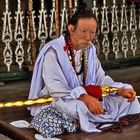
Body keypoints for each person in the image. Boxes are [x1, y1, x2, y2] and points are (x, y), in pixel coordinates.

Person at [28, 4, 140, 138]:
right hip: (62, 99)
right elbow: (56, 88)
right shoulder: (53, 52)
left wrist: (117, 90)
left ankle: (96, 117)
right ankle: (95, 117)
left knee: (126, 93)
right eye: (84, 31)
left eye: (92, 32)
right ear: (71, 28)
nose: (88, 37)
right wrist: (85, 98)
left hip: (91, 96)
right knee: (81, 108)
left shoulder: (89, 49)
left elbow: (100, 79)